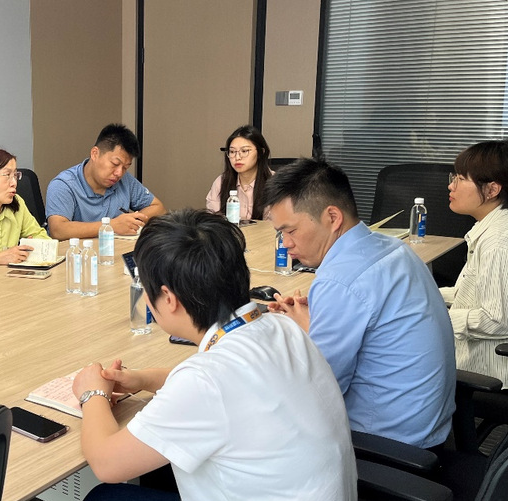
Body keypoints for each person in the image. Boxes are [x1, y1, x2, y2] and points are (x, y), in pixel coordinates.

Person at [4, 210, 356, 501]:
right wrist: (142, 379)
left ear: (168, 298)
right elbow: (220, 381)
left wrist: (91, 392)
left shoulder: (207, 382)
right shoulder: (278, 327)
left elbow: (106, 463)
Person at [266, 158, 455, 449]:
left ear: (332, 217)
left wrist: (297, 335)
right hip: (431, 427)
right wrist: (316, 321)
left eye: (290, 231)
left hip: (386, 445)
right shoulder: (394, 248)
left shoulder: (339, 281)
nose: (285, 243)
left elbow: (318, 392)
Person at [441, 139, 508, 386]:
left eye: (460, 179)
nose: (451, 185)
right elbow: (471, 294)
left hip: (489, 373)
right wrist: (423, 295)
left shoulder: (498, 242)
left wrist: (436, 317)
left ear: (492, 190)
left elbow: (496, 320)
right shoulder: (491, 227)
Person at [45, 123, 165, 240]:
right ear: (95, 154)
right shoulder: (64, 184)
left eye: (125, 167)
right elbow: (58, 230)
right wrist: (112, 225)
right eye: (115, 164)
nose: (119, 173)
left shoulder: (125, 180)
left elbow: (158, 208)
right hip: (80, 252)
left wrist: (132, 222)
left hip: (117, 250)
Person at [205, 125, 275, 220]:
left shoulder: (275, 184)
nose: (237, 157)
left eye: (244, 151)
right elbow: (213, 221)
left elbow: (280, 224)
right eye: (232, 152)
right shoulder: (221, 182)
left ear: (261, 152)